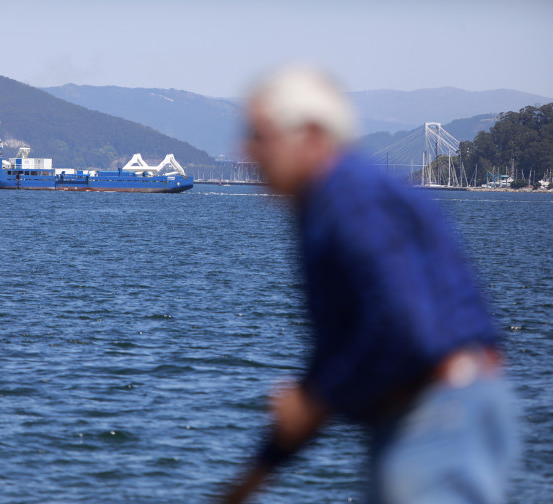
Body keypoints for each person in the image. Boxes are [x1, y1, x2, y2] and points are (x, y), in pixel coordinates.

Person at [219, 67, 516, 504]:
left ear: (313, 135)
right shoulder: (328, 205)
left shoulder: (348, 197)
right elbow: (340, 353)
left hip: (438, 415)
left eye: (259, 134)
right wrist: (257, 473)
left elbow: (402, 326)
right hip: (435, 411)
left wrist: (315, 400)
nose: (245, 149)